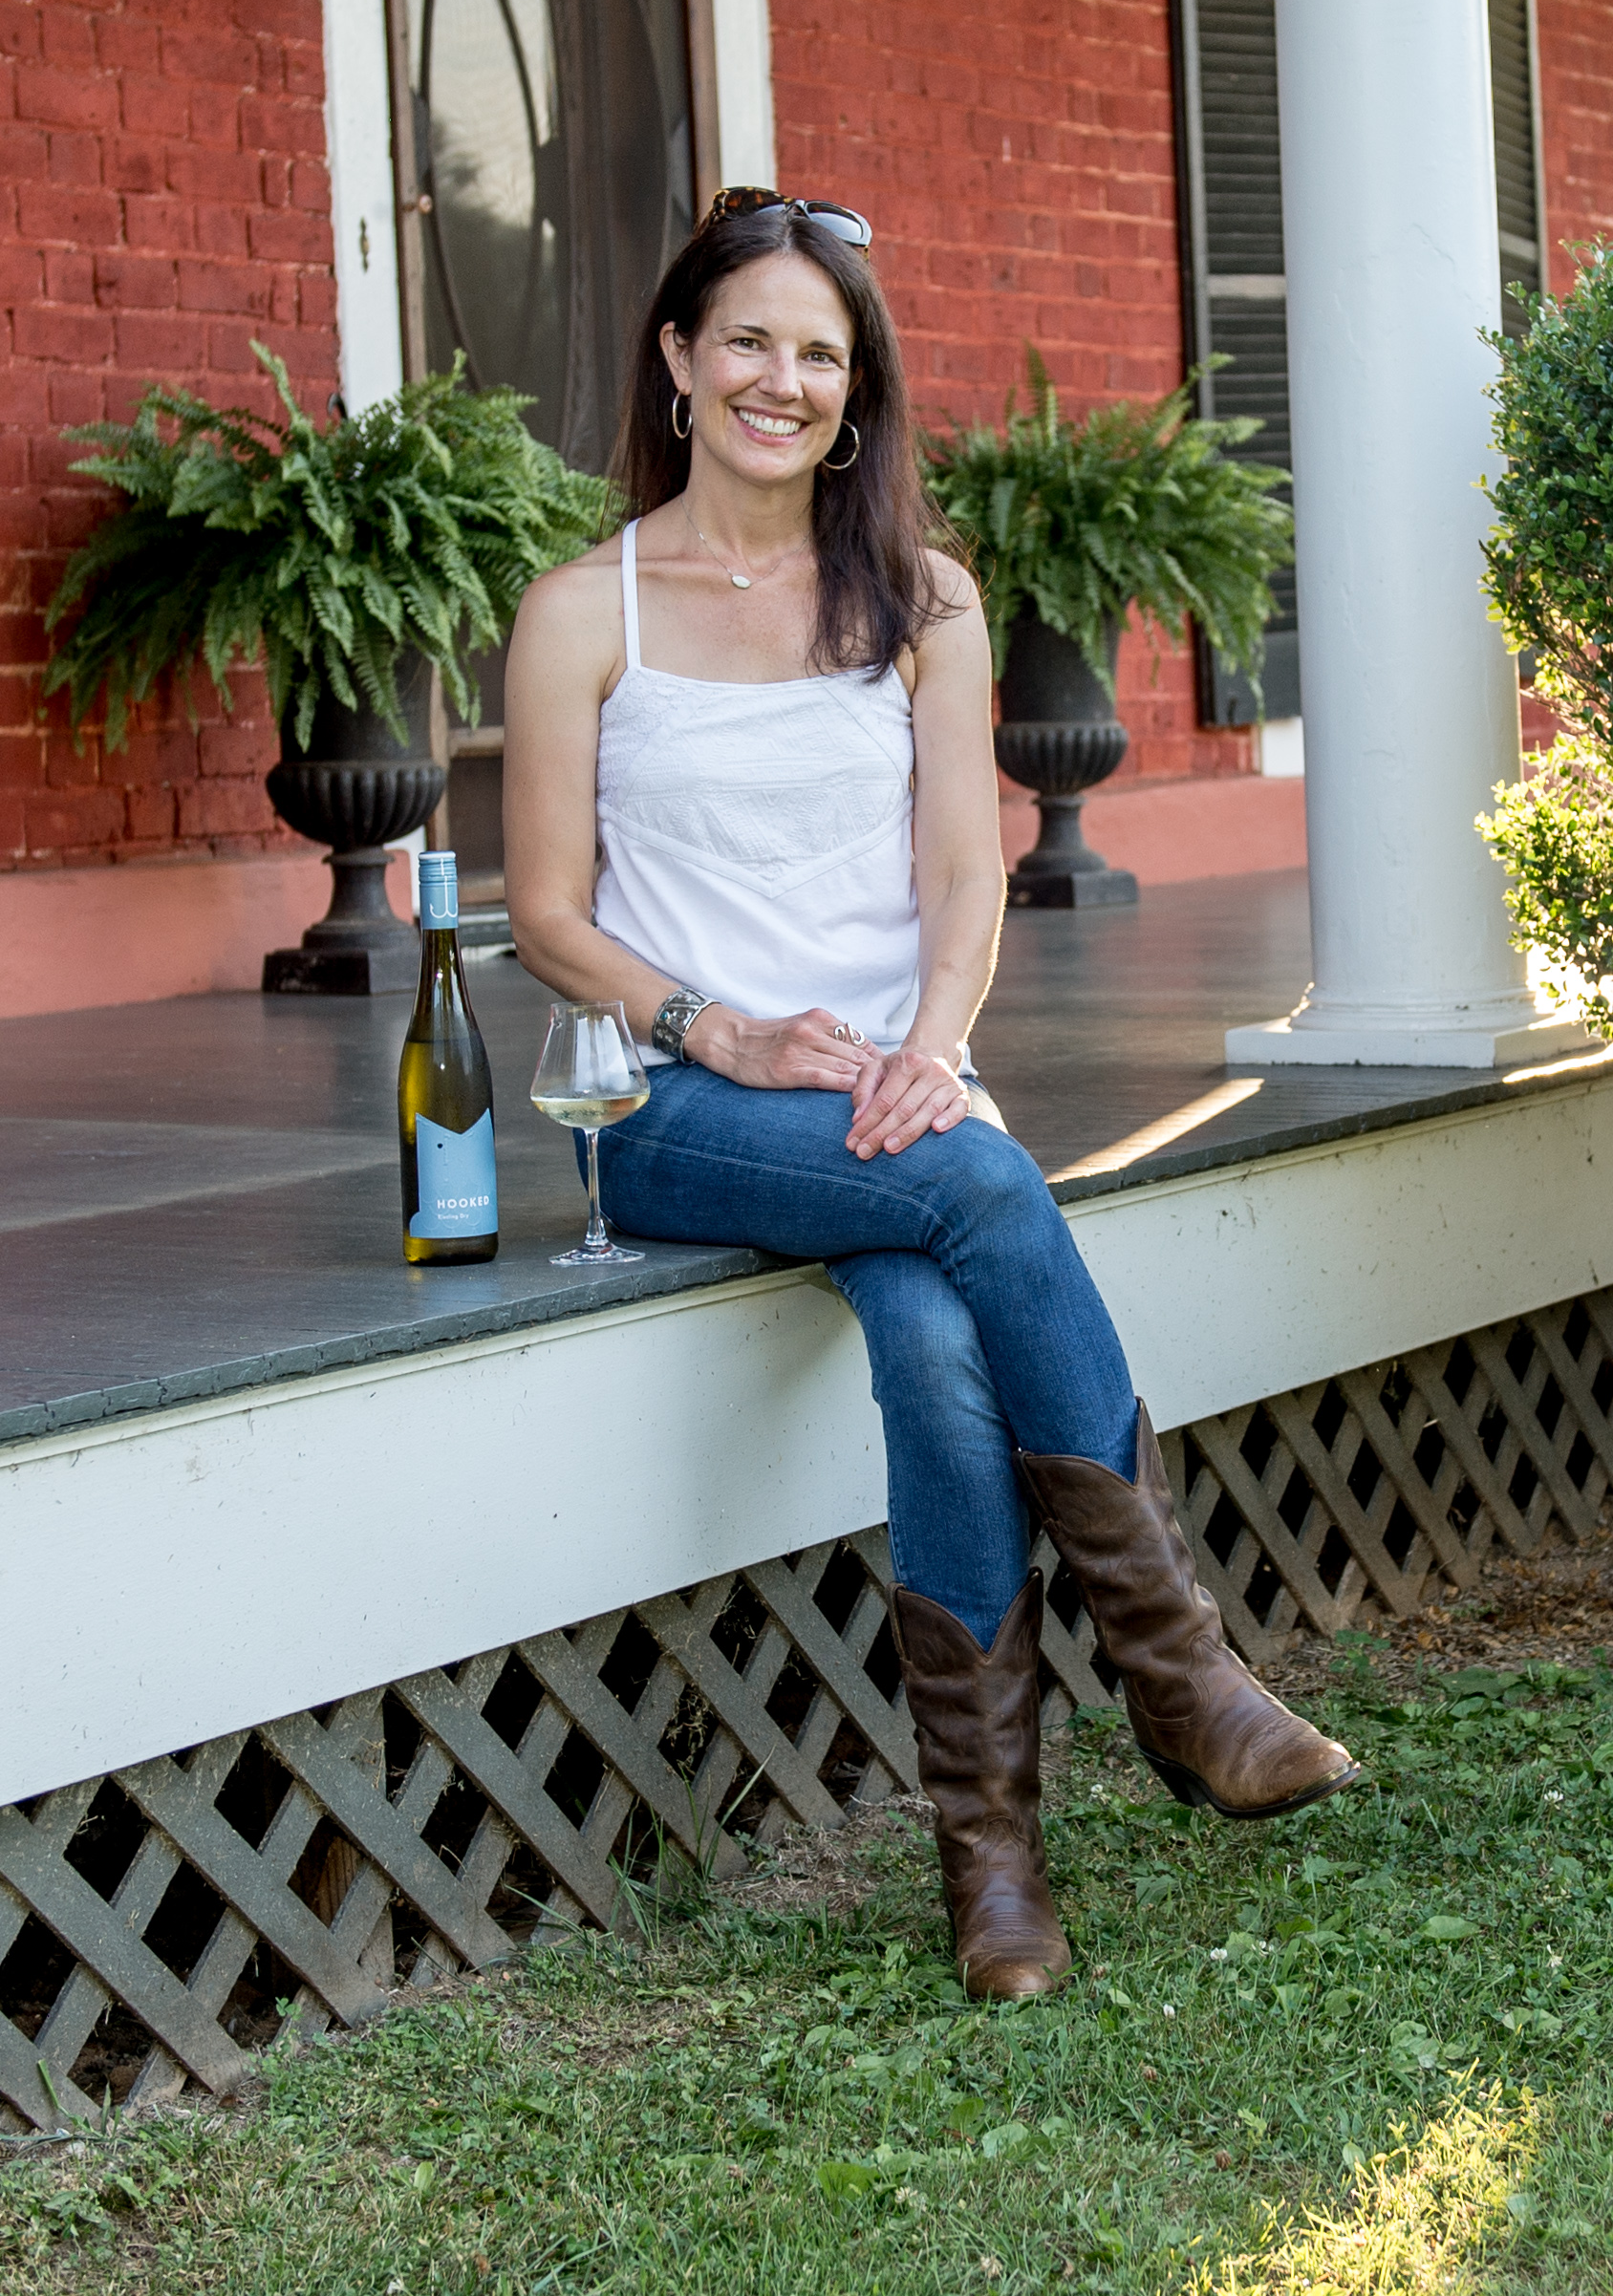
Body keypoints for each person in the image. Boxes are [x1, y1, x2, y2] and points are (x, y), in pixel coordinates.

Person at [503, 188, 1358, 2000]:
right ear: (677, 358)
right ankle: (1183, 1674)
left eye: (820, 353)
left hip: (902, 1099)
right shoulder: (585, 611)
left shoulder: (924, 600)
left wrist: (932, 1046)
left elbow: (968, 878)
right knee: (975, 1190)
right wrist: (720, 1029)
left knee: (931, 1327)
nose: (782, 380)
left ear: (857, 388)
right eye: (748, 340)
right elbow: (550, 917)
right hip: (680, 1113)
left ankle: (997, 1872)